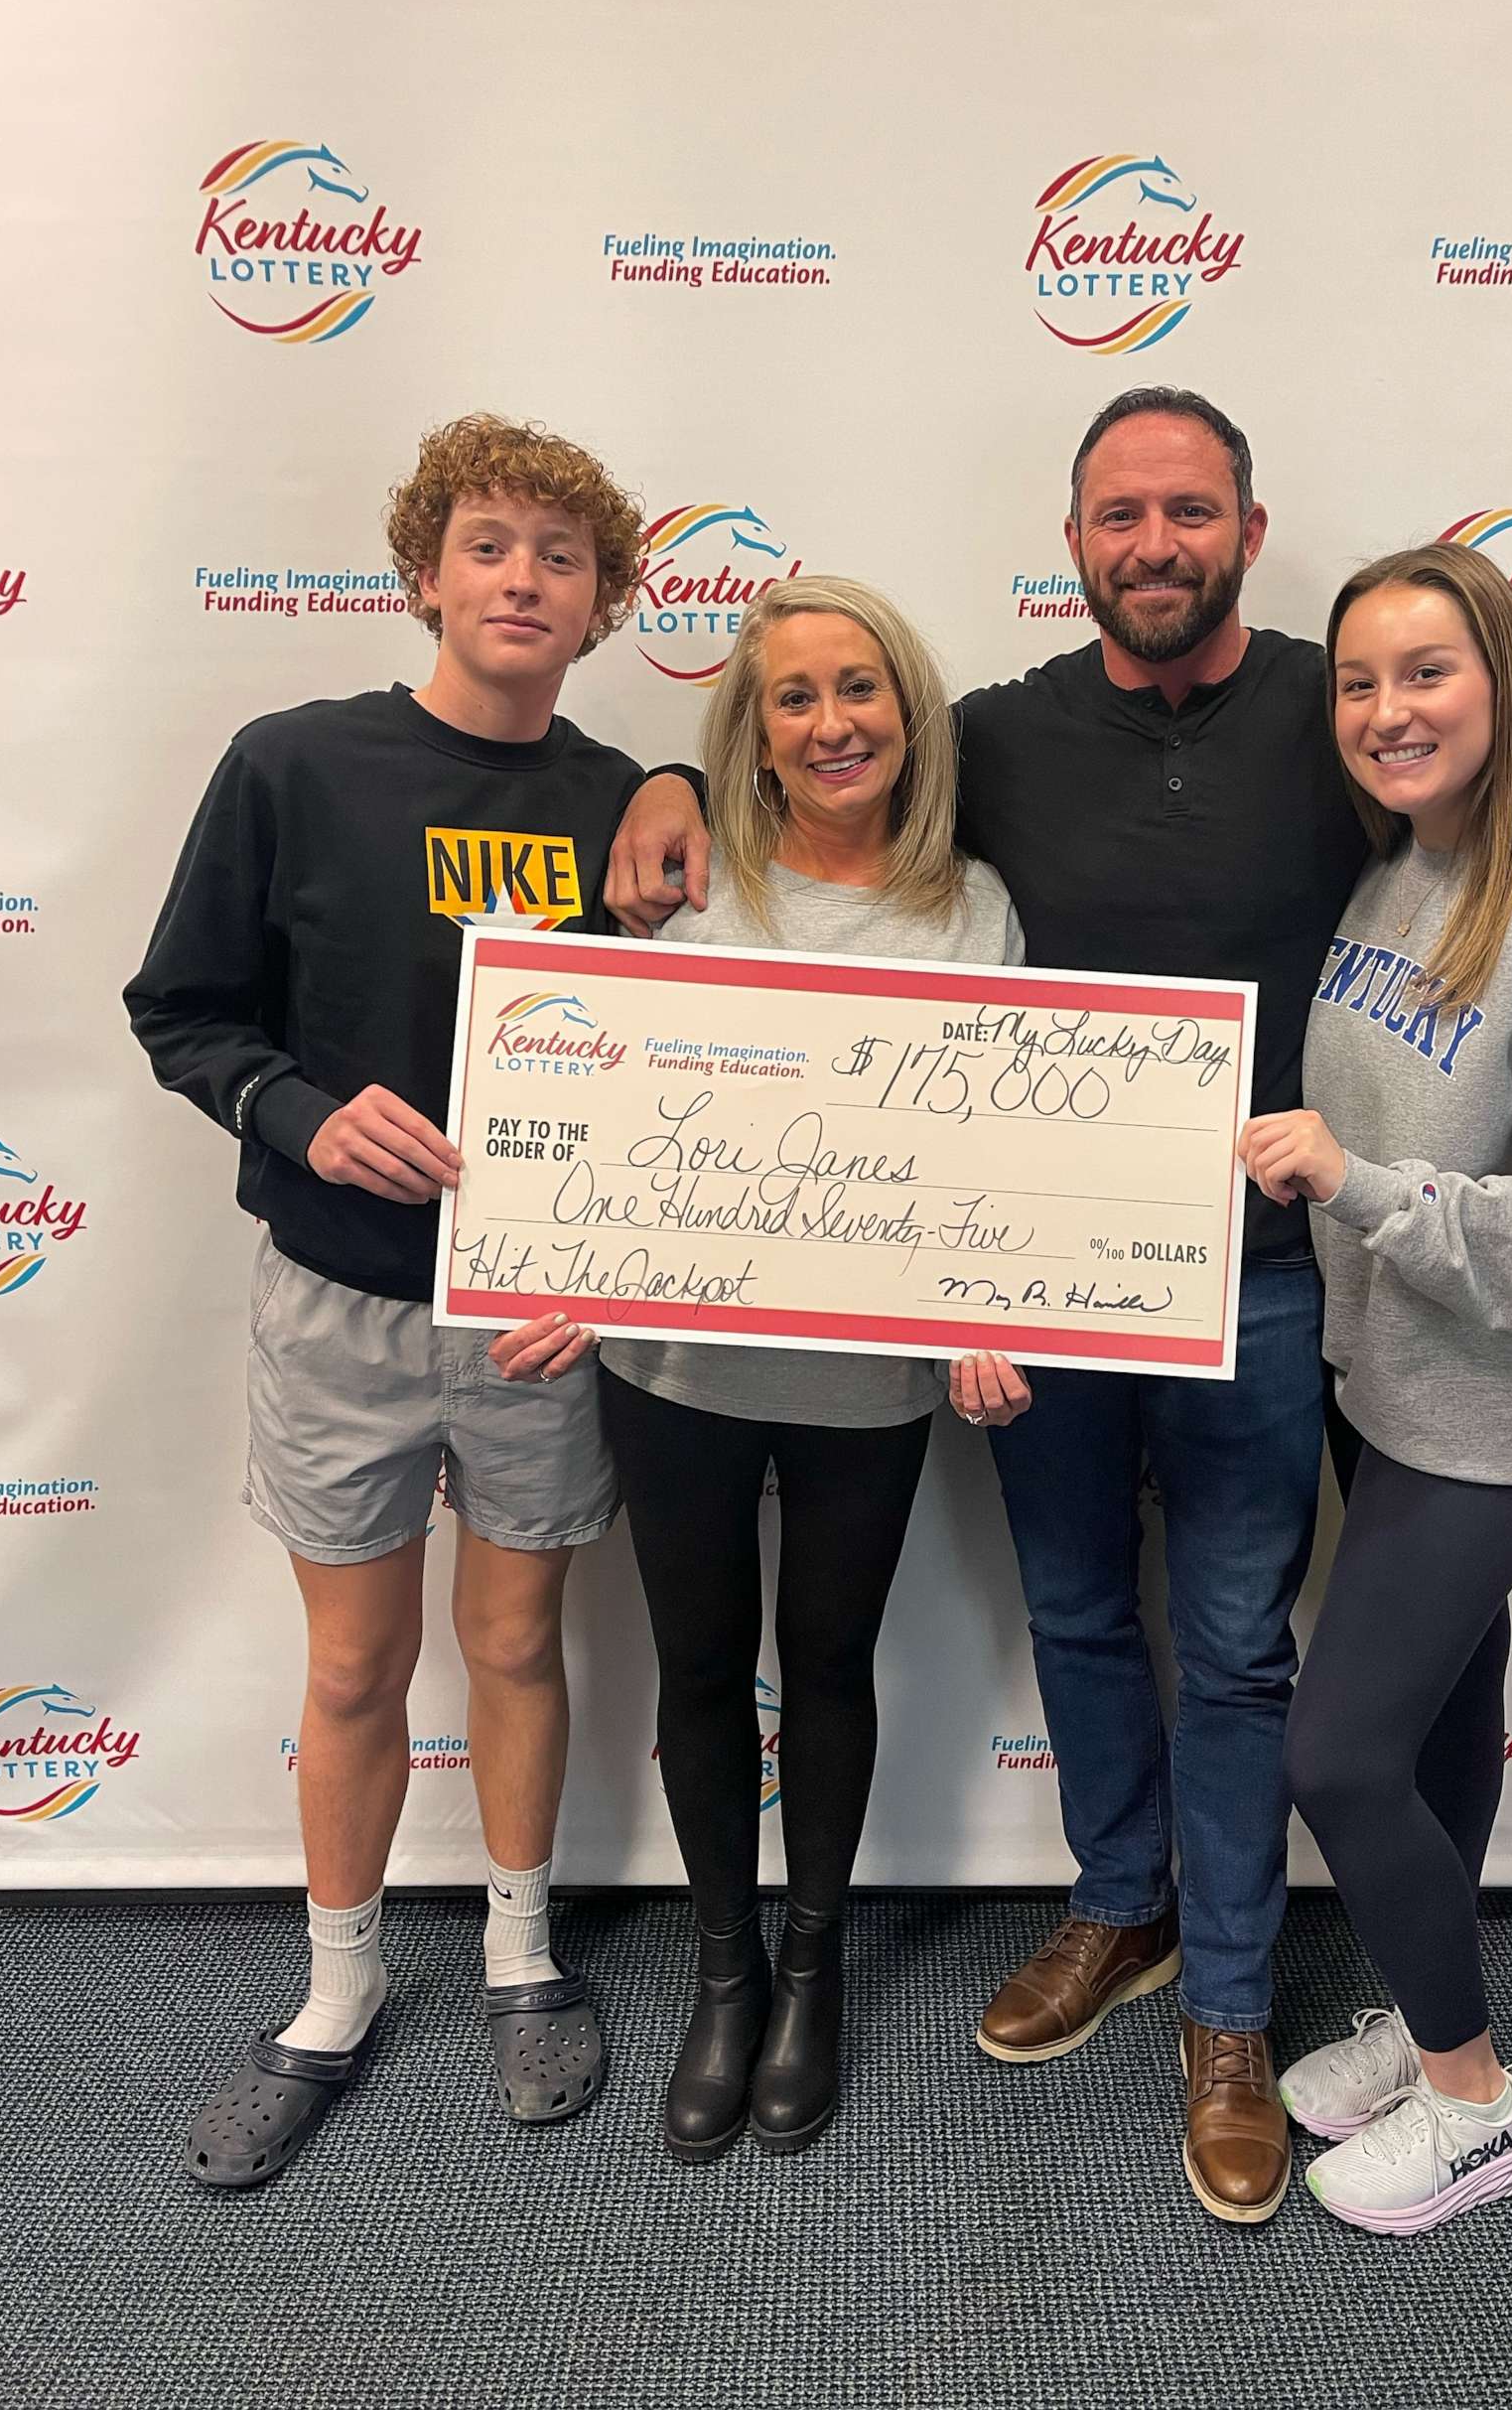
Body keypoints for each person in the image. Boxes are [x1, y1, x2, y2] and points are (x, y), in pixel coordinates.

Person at [600, 389, 1512, 2224]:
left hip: (1277, 1277)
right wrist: (652, 781)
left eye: (1192, 511)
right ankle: (1118, 1906)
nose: (1156, 543)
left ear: (1250, 534)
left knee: (1245, 1647)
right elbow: (807, 755)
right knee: (1075, 1613)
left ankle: (1232, 2010)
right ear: (1075, 539)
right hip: (1047, 1271)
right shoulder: (998, 736)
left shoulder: (1337, 710)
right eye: (1122, 514)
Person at [125, 414, 647, 2187]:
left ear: (602, 607)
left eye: (561, 560)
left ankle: (518, 1954)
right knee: (354, 1662)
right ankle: (334, 1989)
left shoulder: (628, 804)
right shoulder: (293, 764)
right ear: (422, 572)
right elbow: (183, 1010)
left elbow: (695, 1071)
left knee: (515, 1639)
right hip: (338, 1303)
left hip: (537, 1312)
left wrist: (625, 1254)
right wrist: (295, 1109)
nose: (522, 580)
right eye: (490, 546)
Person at [494, 575, 1031, 2162]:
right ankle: (723, 1975)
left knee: (835, 1664)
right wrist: (566, 1253)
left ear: (907, 707)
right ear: (752, 729)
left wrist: (995, 1304)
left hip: (869, 1376)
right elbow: (599, 1091)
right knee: (701, 1668)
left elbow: (998, 1137)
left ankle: (813, 1970)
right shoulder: (683, 883)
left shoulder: (974, 906)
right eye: (792, 698)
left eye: (858, 687)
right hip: (676, 1366)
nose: (831, 722)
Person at [1239, 542, 1512, 2233]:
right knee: (1430, 1720)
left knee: (1336, 1754)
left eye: (1426, 671)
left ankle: (1477, 2105)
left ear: (1504, 675)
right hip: (1386, 1384)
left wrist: (1356, 1186)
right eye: (1358, 682)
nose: (1385, 709)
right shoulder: (1395, 876)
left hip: (1492, 1421)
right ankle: (1434, 2015)